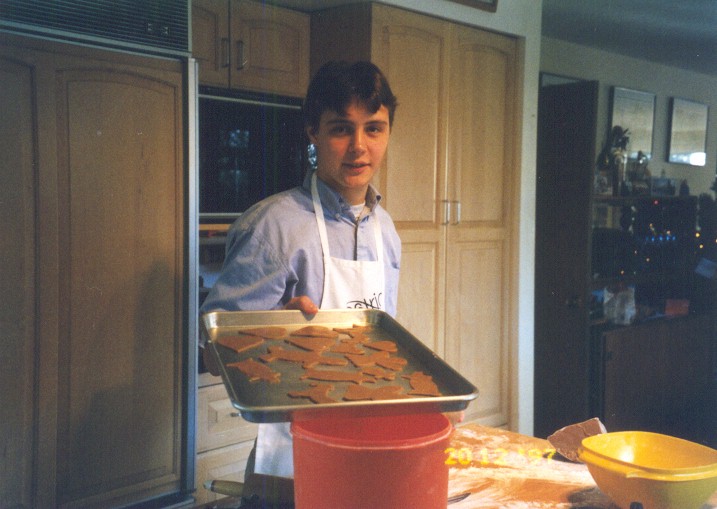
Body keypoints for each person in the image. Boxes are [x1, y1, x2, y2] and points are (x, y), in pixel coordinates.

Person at [199, 60, 401, 479]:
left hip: (369, 444)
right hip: (292, 460)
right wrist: (273, 334)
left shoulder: (386, 230)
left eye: (373, 129)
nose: (359, 146)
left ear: (388, 132)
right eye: (341, 129)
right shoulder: (273, 227)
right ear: (313, 131)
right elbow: (213, 355)